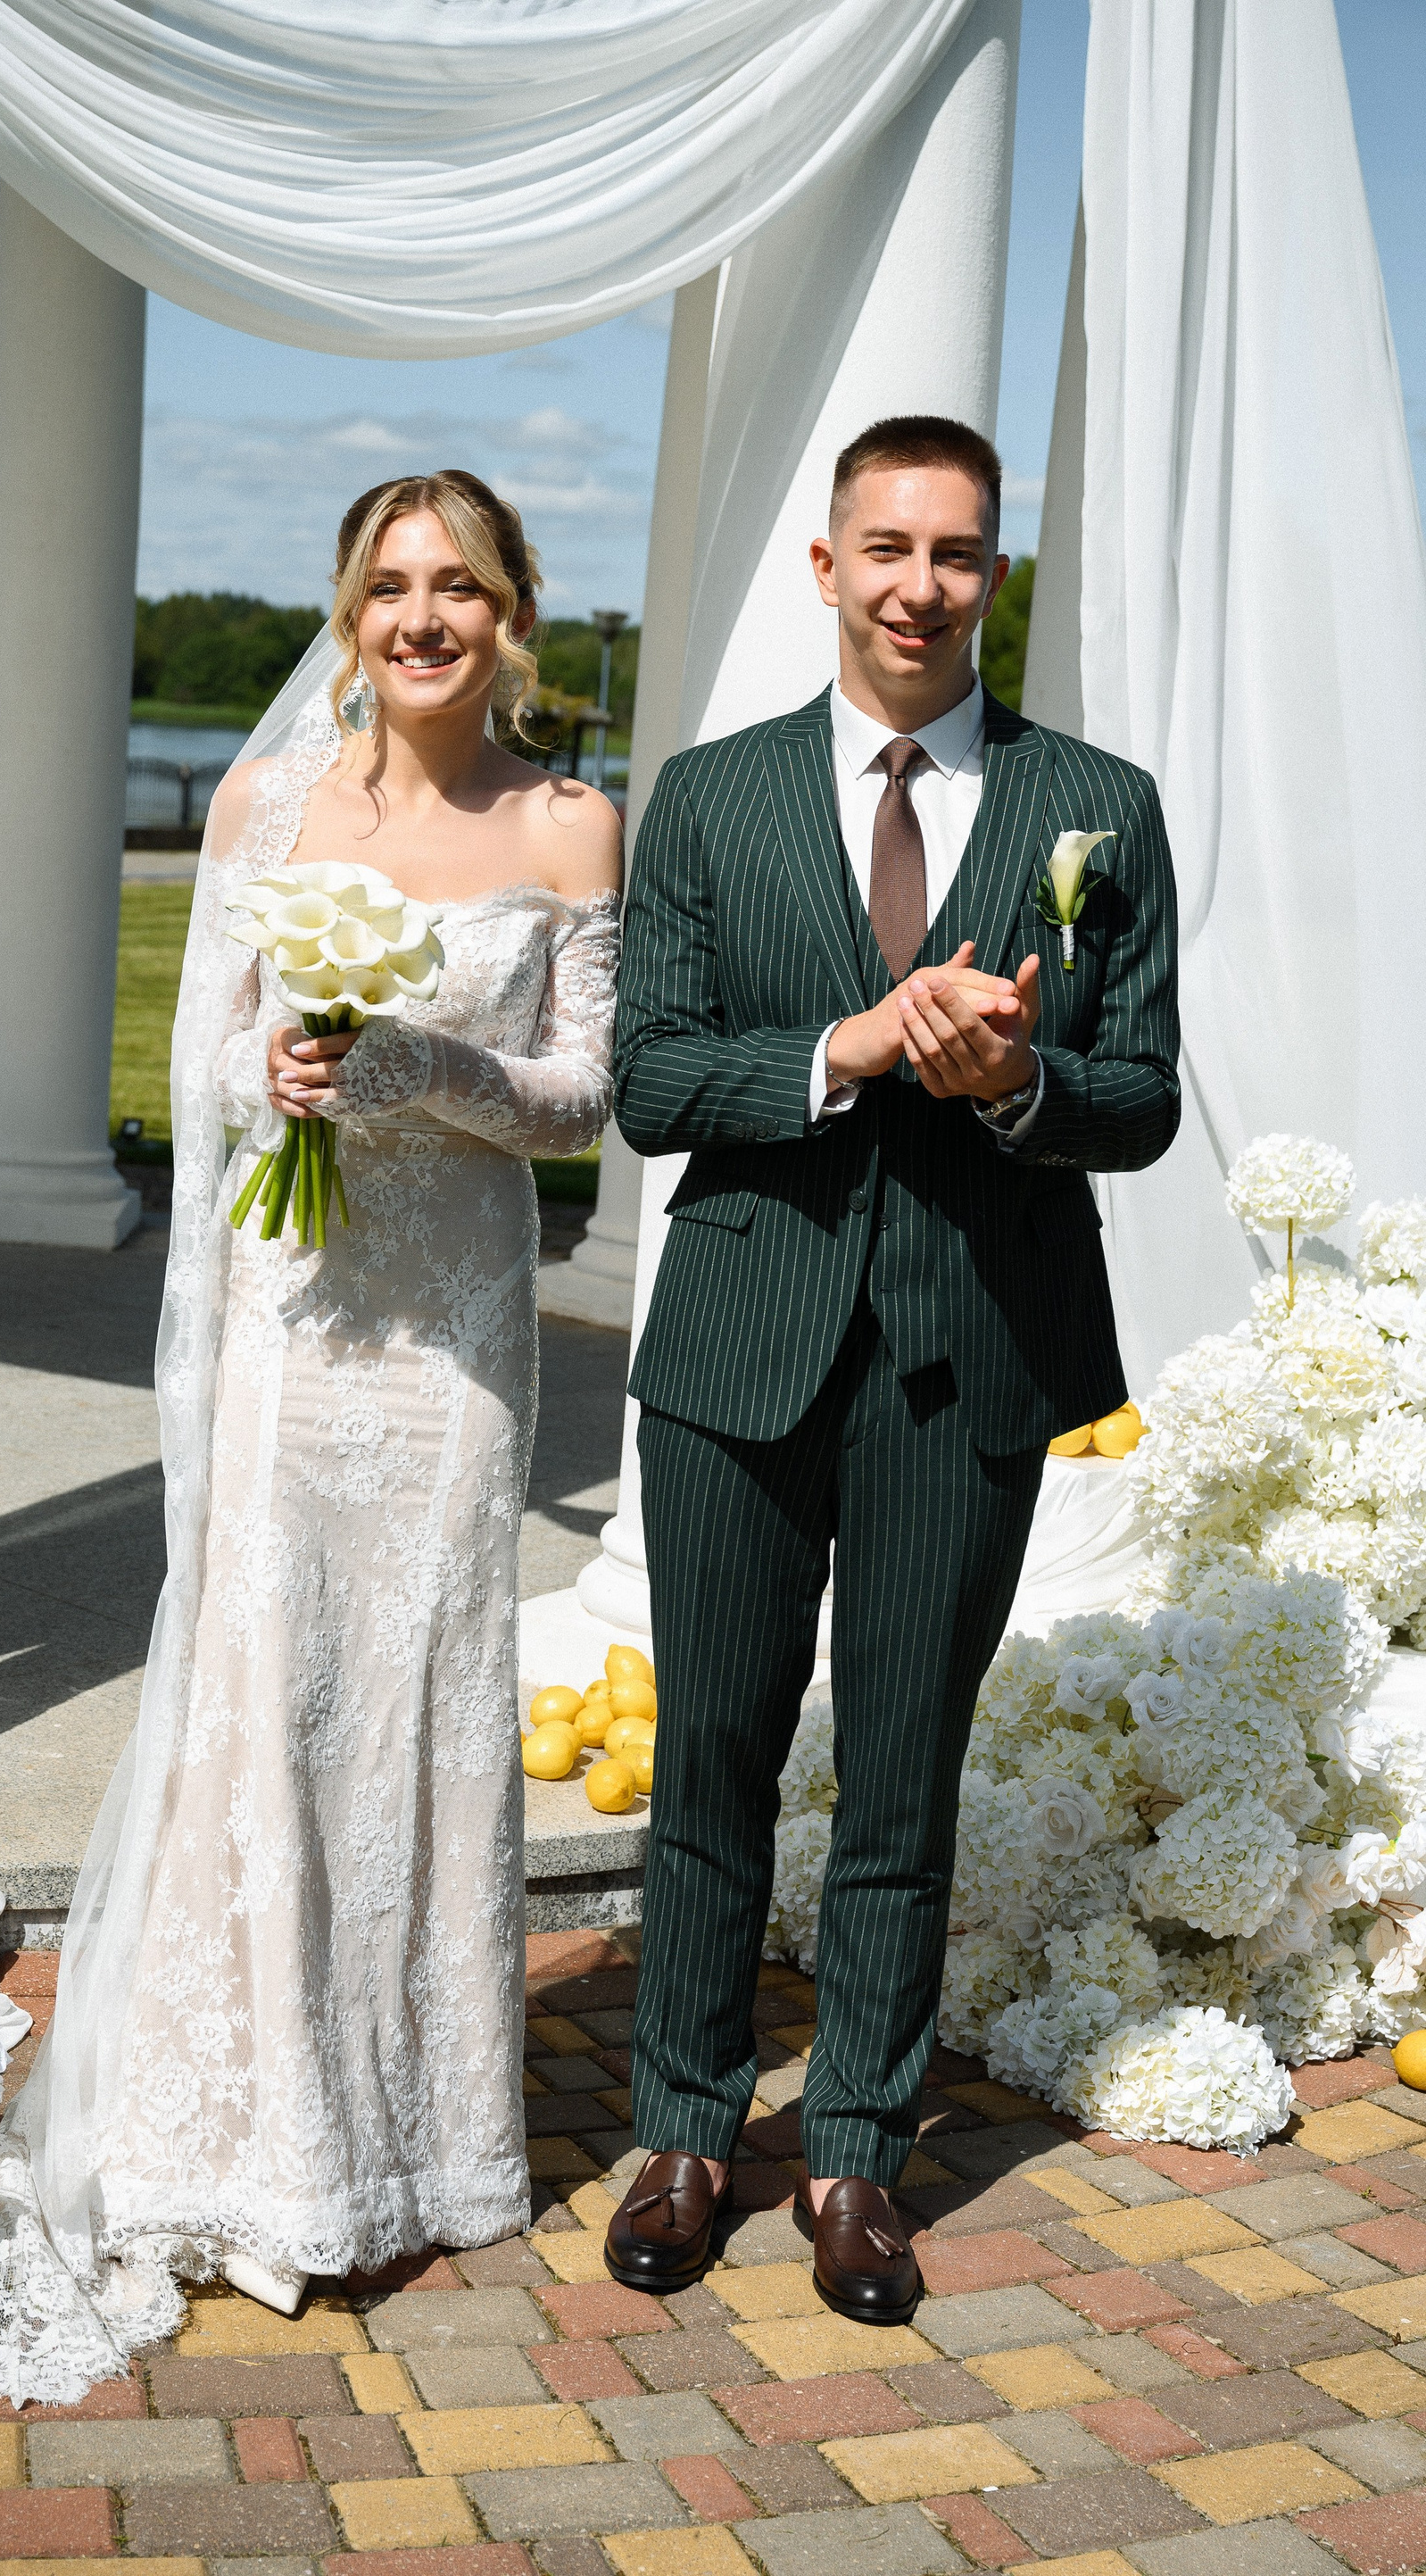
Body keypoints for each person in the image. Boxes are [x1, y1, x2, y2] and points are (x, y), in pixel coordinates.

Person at [0, 472, 620, 2402]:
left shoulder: (571, 822)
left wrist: (426, 1065)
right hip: (296, 1324)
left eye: (459, 585)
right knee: (269, 1694)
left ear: (511, 611)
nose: (423, 617)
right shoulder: (264, 803)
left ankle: (416, 2137)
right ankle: (250, 2138)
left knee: (416, 1701)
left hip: (457, 1347)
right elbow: (210, 1067)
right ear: (348, 610)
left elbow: (586, 1101)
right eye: (389, 585)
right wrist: (287, 1062)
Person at [603, 416, 1180, 2324]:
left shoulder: (1098, 802)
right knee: (711, 1750)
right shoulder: (710, 798)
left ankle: (855, 2149)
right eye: (887, 547)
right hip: (740, 1347)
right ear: (828, 565)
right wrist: (844, 1048)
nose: (919, 585)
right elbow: (650, 1077)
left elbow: (1141, 1097)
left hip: (970, 1357)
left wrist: (1017, 1080)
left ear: (991, 573)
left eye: (955, 552)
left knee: (904, 1770)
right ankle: (686, 2130)